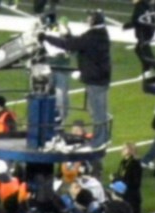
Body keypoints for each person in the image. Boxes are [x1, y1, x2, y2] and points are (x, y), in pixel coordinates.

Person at [40, 11, 111, 147]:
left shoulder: (93, 36)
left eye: (89, 18)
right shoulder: (100, 34)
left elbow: (71, 45)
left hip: (95, 79)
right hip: (100, 77)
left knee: (97, 112)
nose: (87, 20)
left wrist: (46, 37)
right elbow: (77, 43)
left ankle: (100, 139)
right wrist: (68, 36)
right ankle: (102, 136)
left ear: (94, 21)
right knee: (99, 110)